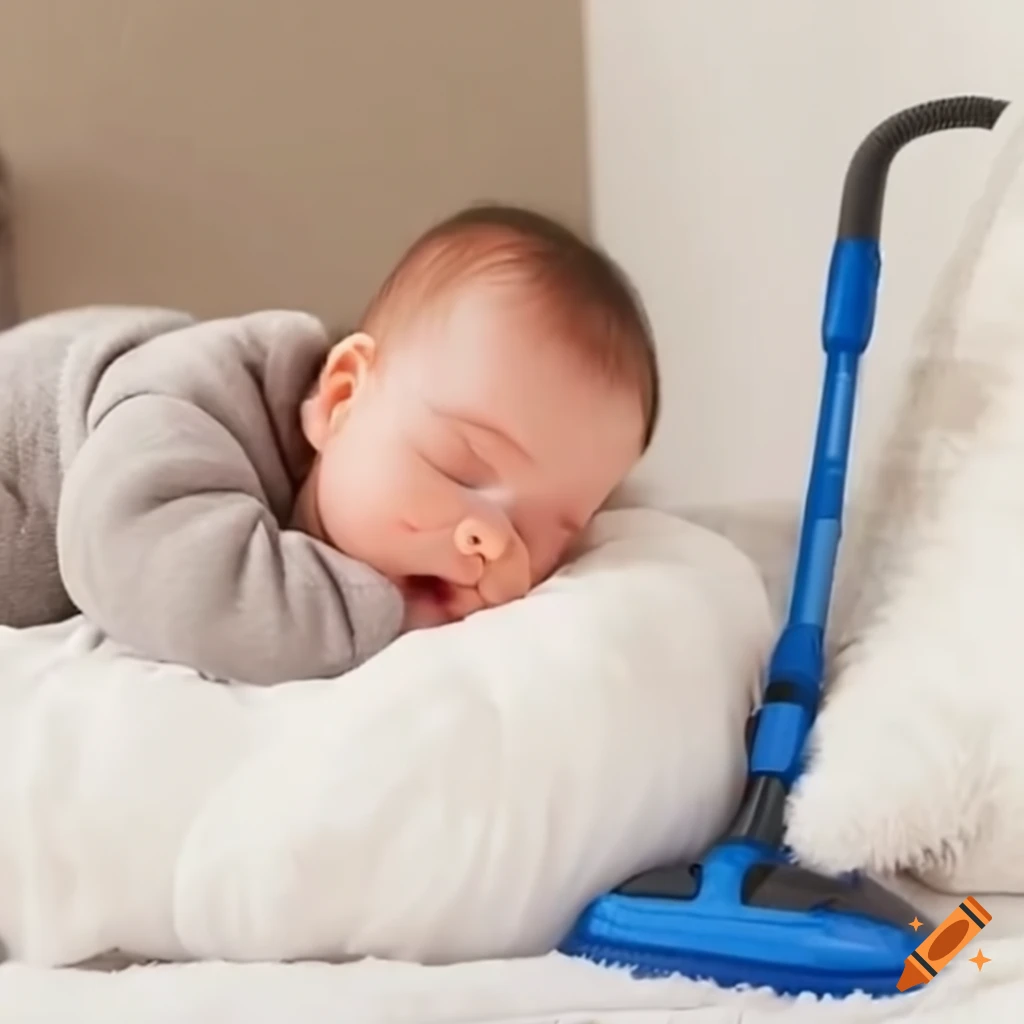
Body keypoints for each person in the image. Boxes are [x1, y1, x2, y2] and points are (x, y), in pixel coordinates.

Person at [0, 204, 660, 684]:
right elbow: (139, 560)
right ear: (343, 398)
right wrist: (374, 617)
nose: (491, 540)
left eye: (542, 534)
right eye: (461, 471)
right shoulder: (190, 411)